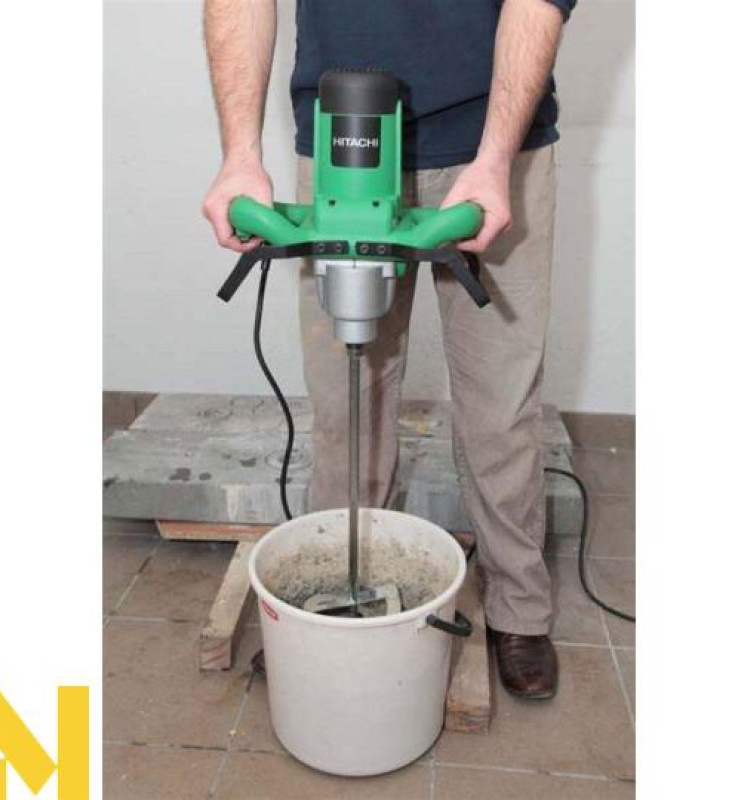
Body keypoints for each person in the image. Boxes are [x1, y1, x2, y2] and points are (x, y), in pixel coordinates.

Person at [202, 0, 573, 700]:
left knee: (501, 405)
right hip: (342, 142)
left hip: (495, 147)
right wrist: (239, 154)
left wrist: (495, 158)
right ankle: (338, 595)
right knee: (347, 407)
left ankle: (519, 610)